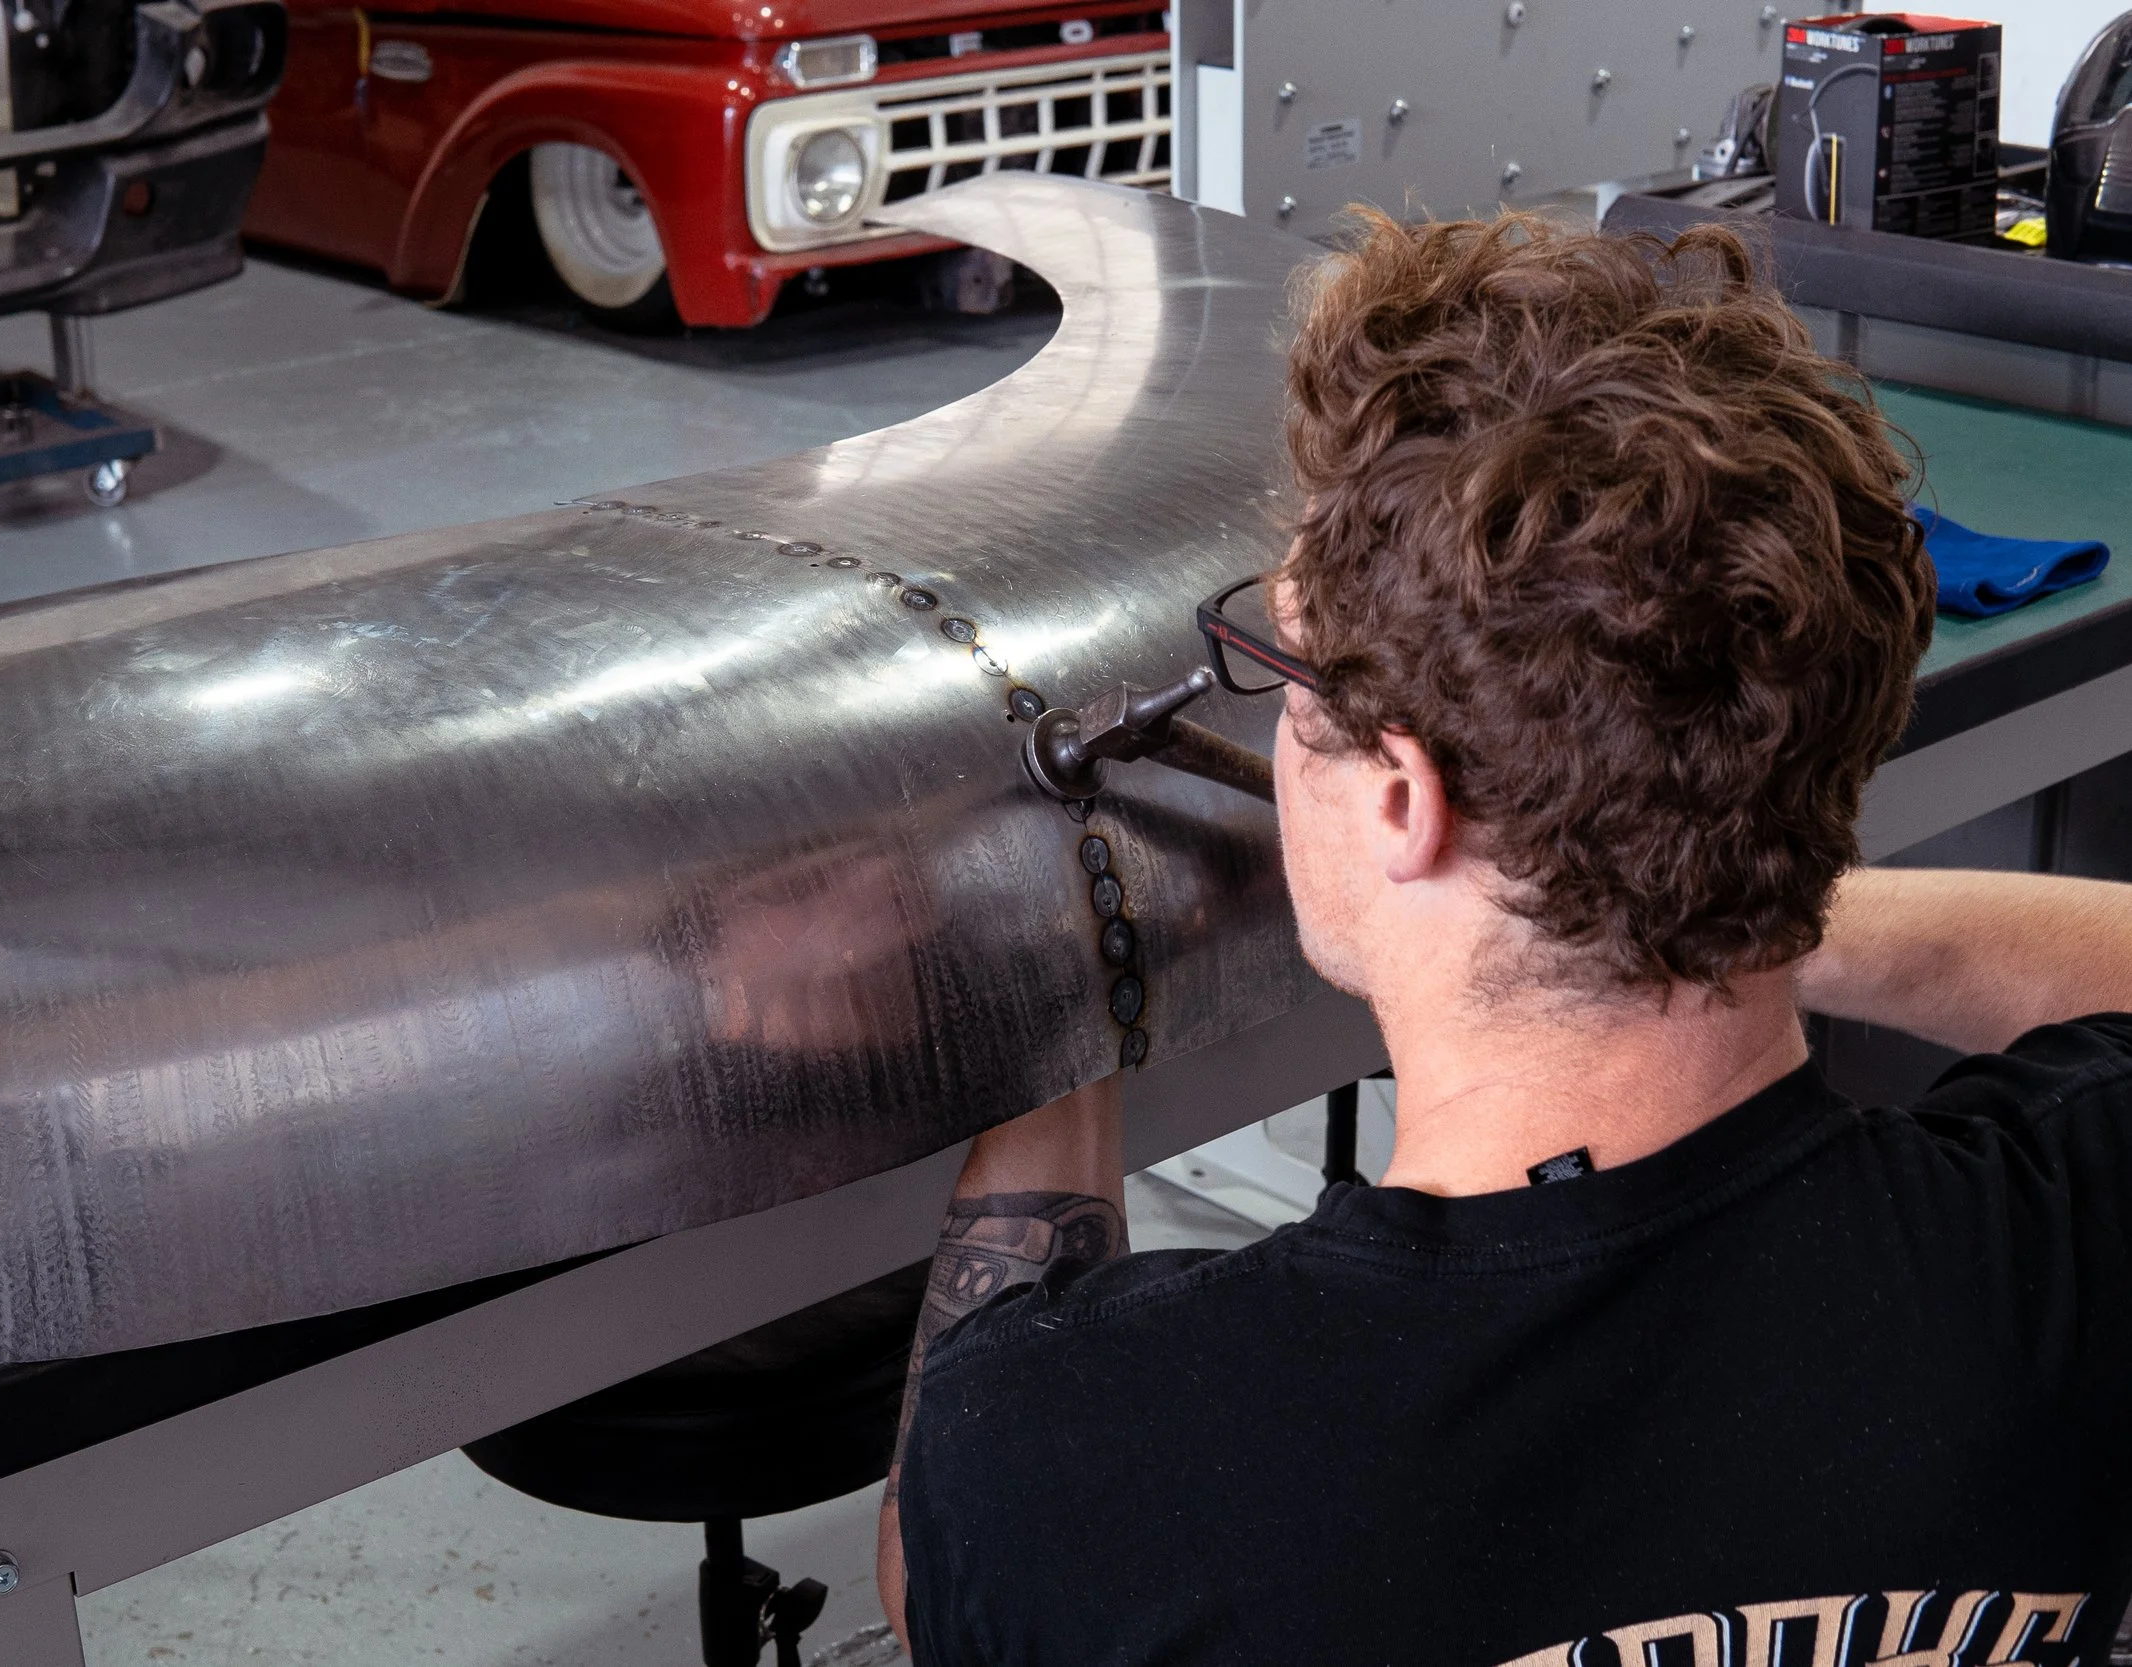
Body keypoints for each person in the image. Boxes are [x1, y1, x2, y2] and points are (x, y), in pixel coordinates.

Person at [874, 207, 2132, 1666]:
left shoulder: (1072, 1454)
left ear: (1404, 794)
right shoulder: (2068, 1245)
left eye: (1280, 669)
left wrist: (1059, 1037)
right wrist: (1710, 881)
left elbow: (938, 1585)